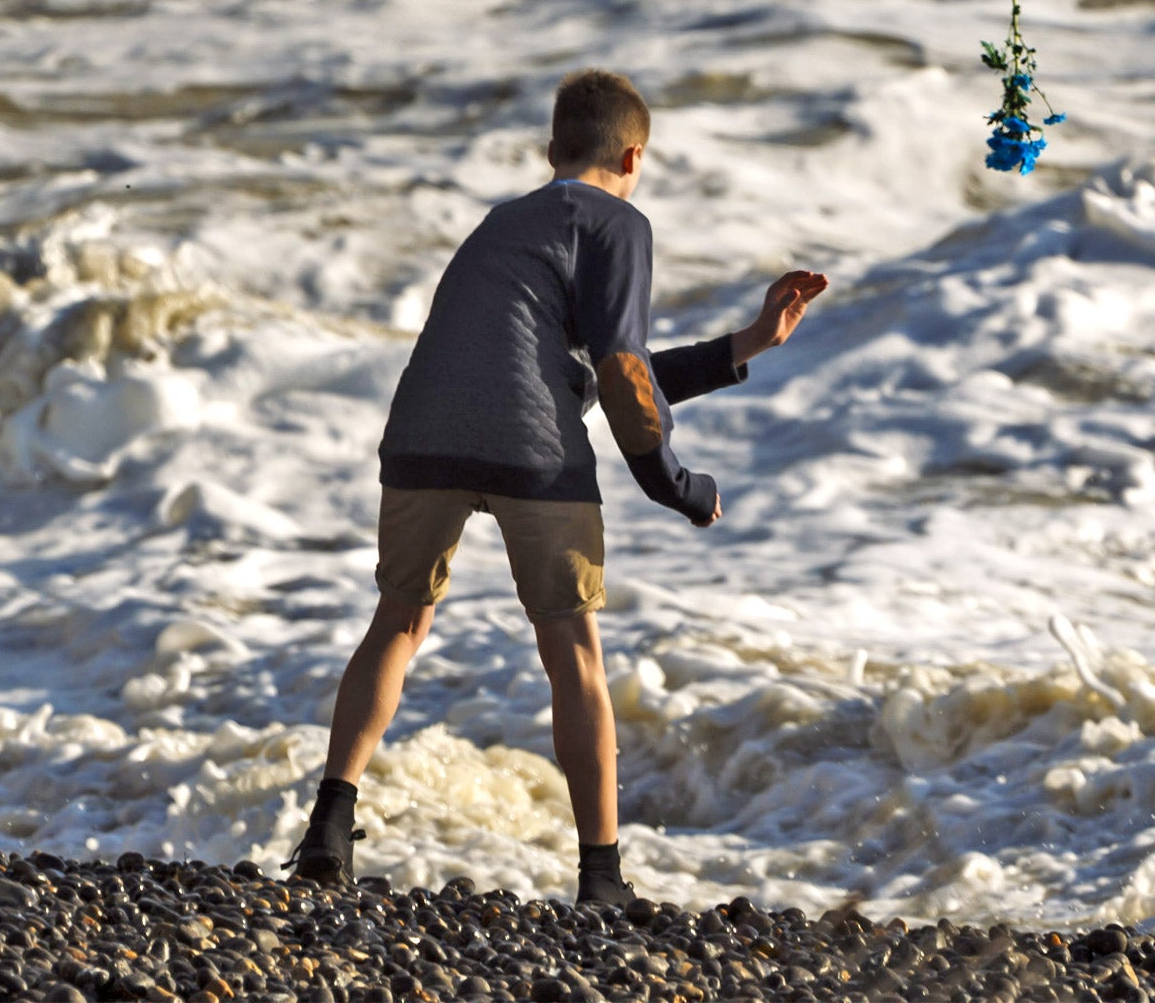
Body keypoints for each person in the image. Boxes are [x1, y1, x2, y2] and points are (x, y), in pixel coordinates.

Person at [288, 69, 828, 905]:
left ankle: (328, 826)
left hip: (422, 432)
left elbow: (595, 369)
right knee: (572, 648)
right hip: (533, 449)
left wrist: (749, 342)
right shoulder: (619, 223)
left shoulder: (505, 224)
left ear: (553, 150)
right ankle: (602, 878)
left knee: (398, 619)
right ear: (634, 153)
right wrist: (677, 486)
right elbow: (619, 373)